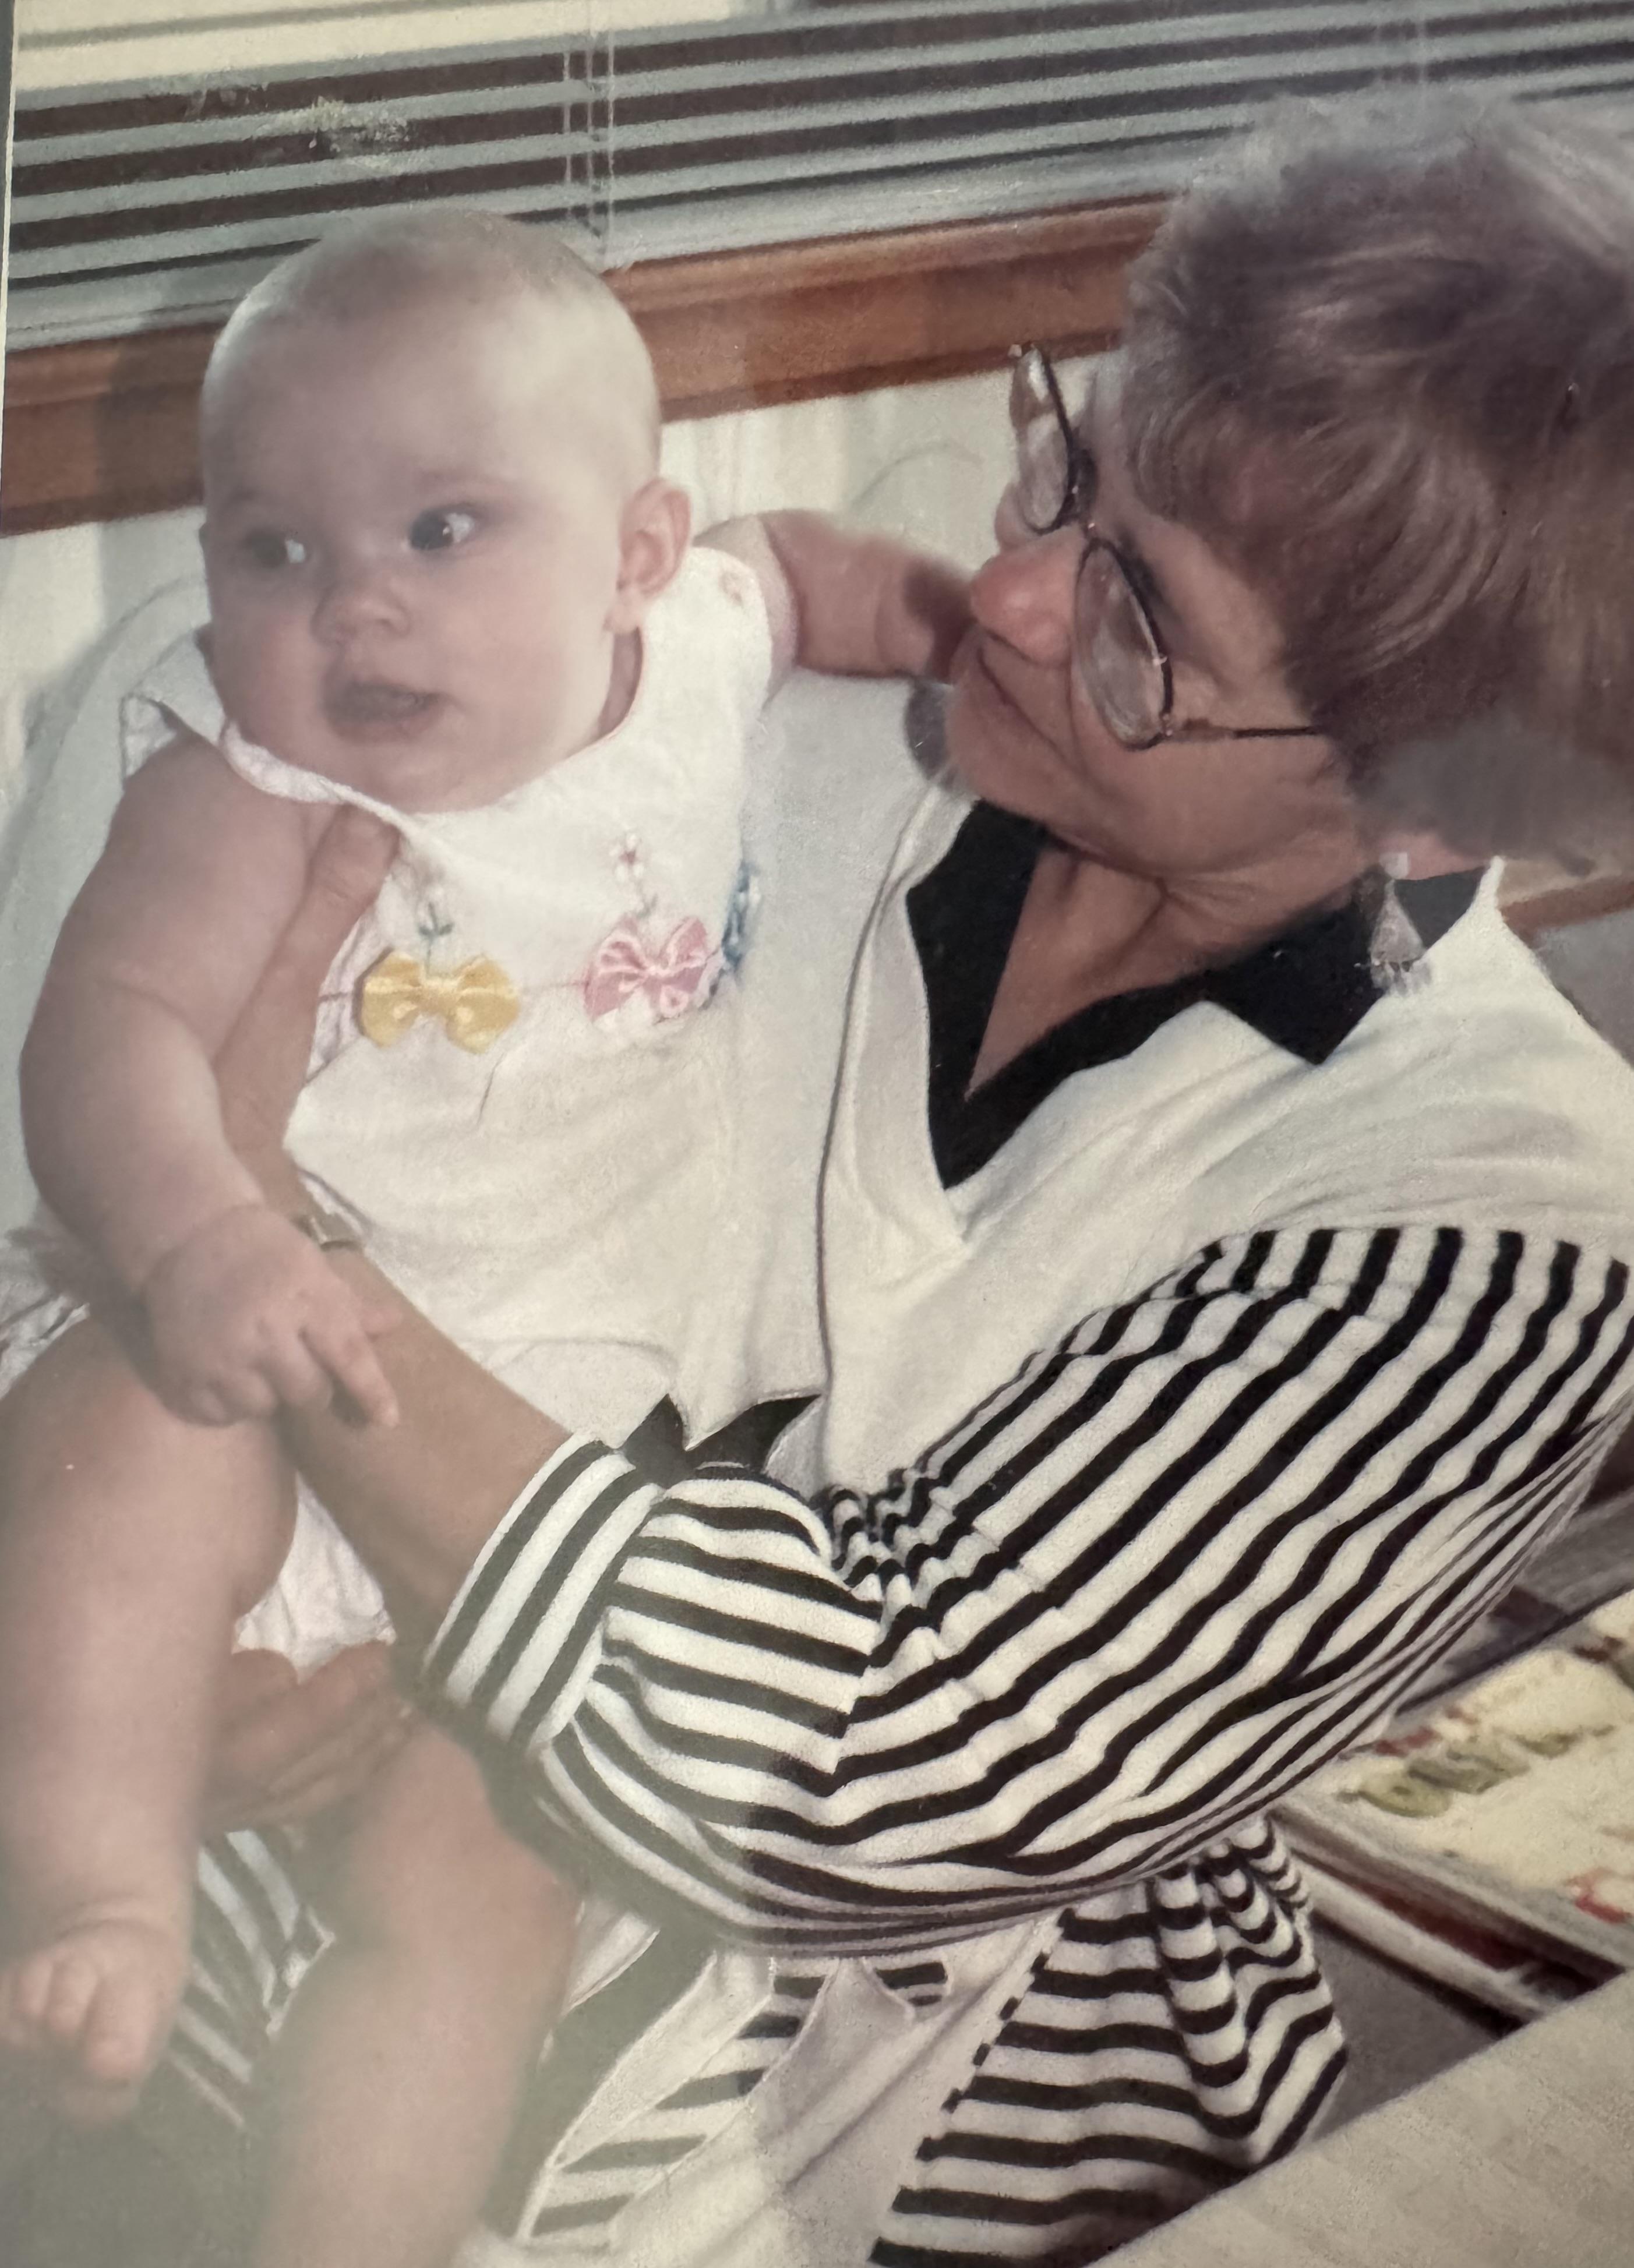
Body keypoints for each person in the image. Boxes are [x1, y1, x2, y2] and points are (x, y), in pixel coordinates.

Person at [13, 94, 1634, 2266]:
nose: (1024, 592)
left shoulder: (1507, 1226)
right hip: (205, 1946)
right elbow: (71, 1161)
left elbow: (866, 1769)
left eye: (1150, 628)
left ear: (1428, 817)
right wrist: (102, 1680)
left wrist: (277, 1246)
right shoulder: (647, 693)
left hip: (891, 2116)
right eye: (1076, 461)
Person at [0, 213, 968, 2268]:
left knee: (485, 1897)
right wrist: (195, 1244)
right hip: (256, 1365)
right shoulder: (243, 777)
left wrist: (926, 612)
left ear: (632, 553)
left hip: (545, 1466)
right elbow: (108, 1033)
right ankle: (94, 1886)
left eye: (445, 529)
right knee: (116, 1472)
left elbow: (798, 572)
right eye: (272, 548)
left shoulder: (698, 639)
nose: (354, 607)